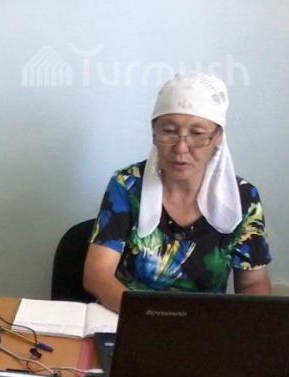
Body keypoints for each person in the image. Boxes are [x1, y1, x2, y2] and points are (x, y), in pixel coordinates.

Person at [83, 72, 272, 313]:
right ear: (154, 133)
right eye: (169, 131)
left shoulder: (243, 198)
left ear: (217, 138)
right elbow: (97, 275)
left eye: (197, 134)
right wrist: (152, 318)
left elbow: (253, 284)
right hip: (131, 318)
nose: (181, 148)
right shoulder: (127, 185)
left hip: (205, 326)